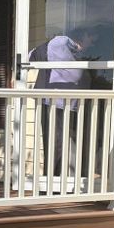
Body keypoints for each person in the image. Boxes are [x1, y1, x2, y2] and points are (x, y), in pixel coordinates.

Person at [35, 28, 96, 177]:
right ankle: (50, 184)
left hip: (69, 103)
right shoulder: (61, 42)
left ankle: (63, 181)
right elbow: (74, 73)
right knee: (56, 144)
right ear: (85, 35)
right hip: (56, 102)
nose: (93, 44)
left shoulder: (73, 52)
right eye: (93, 39)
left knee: (66, 143)